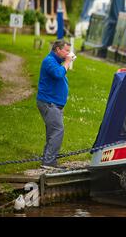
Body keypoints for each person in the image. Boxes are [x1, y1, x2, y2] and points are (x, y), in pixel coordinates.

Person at [37, 40, 73, 169]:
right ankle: (49, 162)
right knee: (58, 130)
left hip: (54, 103)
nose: (68, 53)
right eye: (66, 50)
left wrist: (66, 62)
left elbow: (59, 73)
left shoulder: (56, 62)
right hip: (49, 103)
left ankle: (47, 159)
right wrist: (67, 62)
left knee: (53, 131)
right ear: (57, 49)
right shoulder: (49, 61)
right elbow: (58, 74)